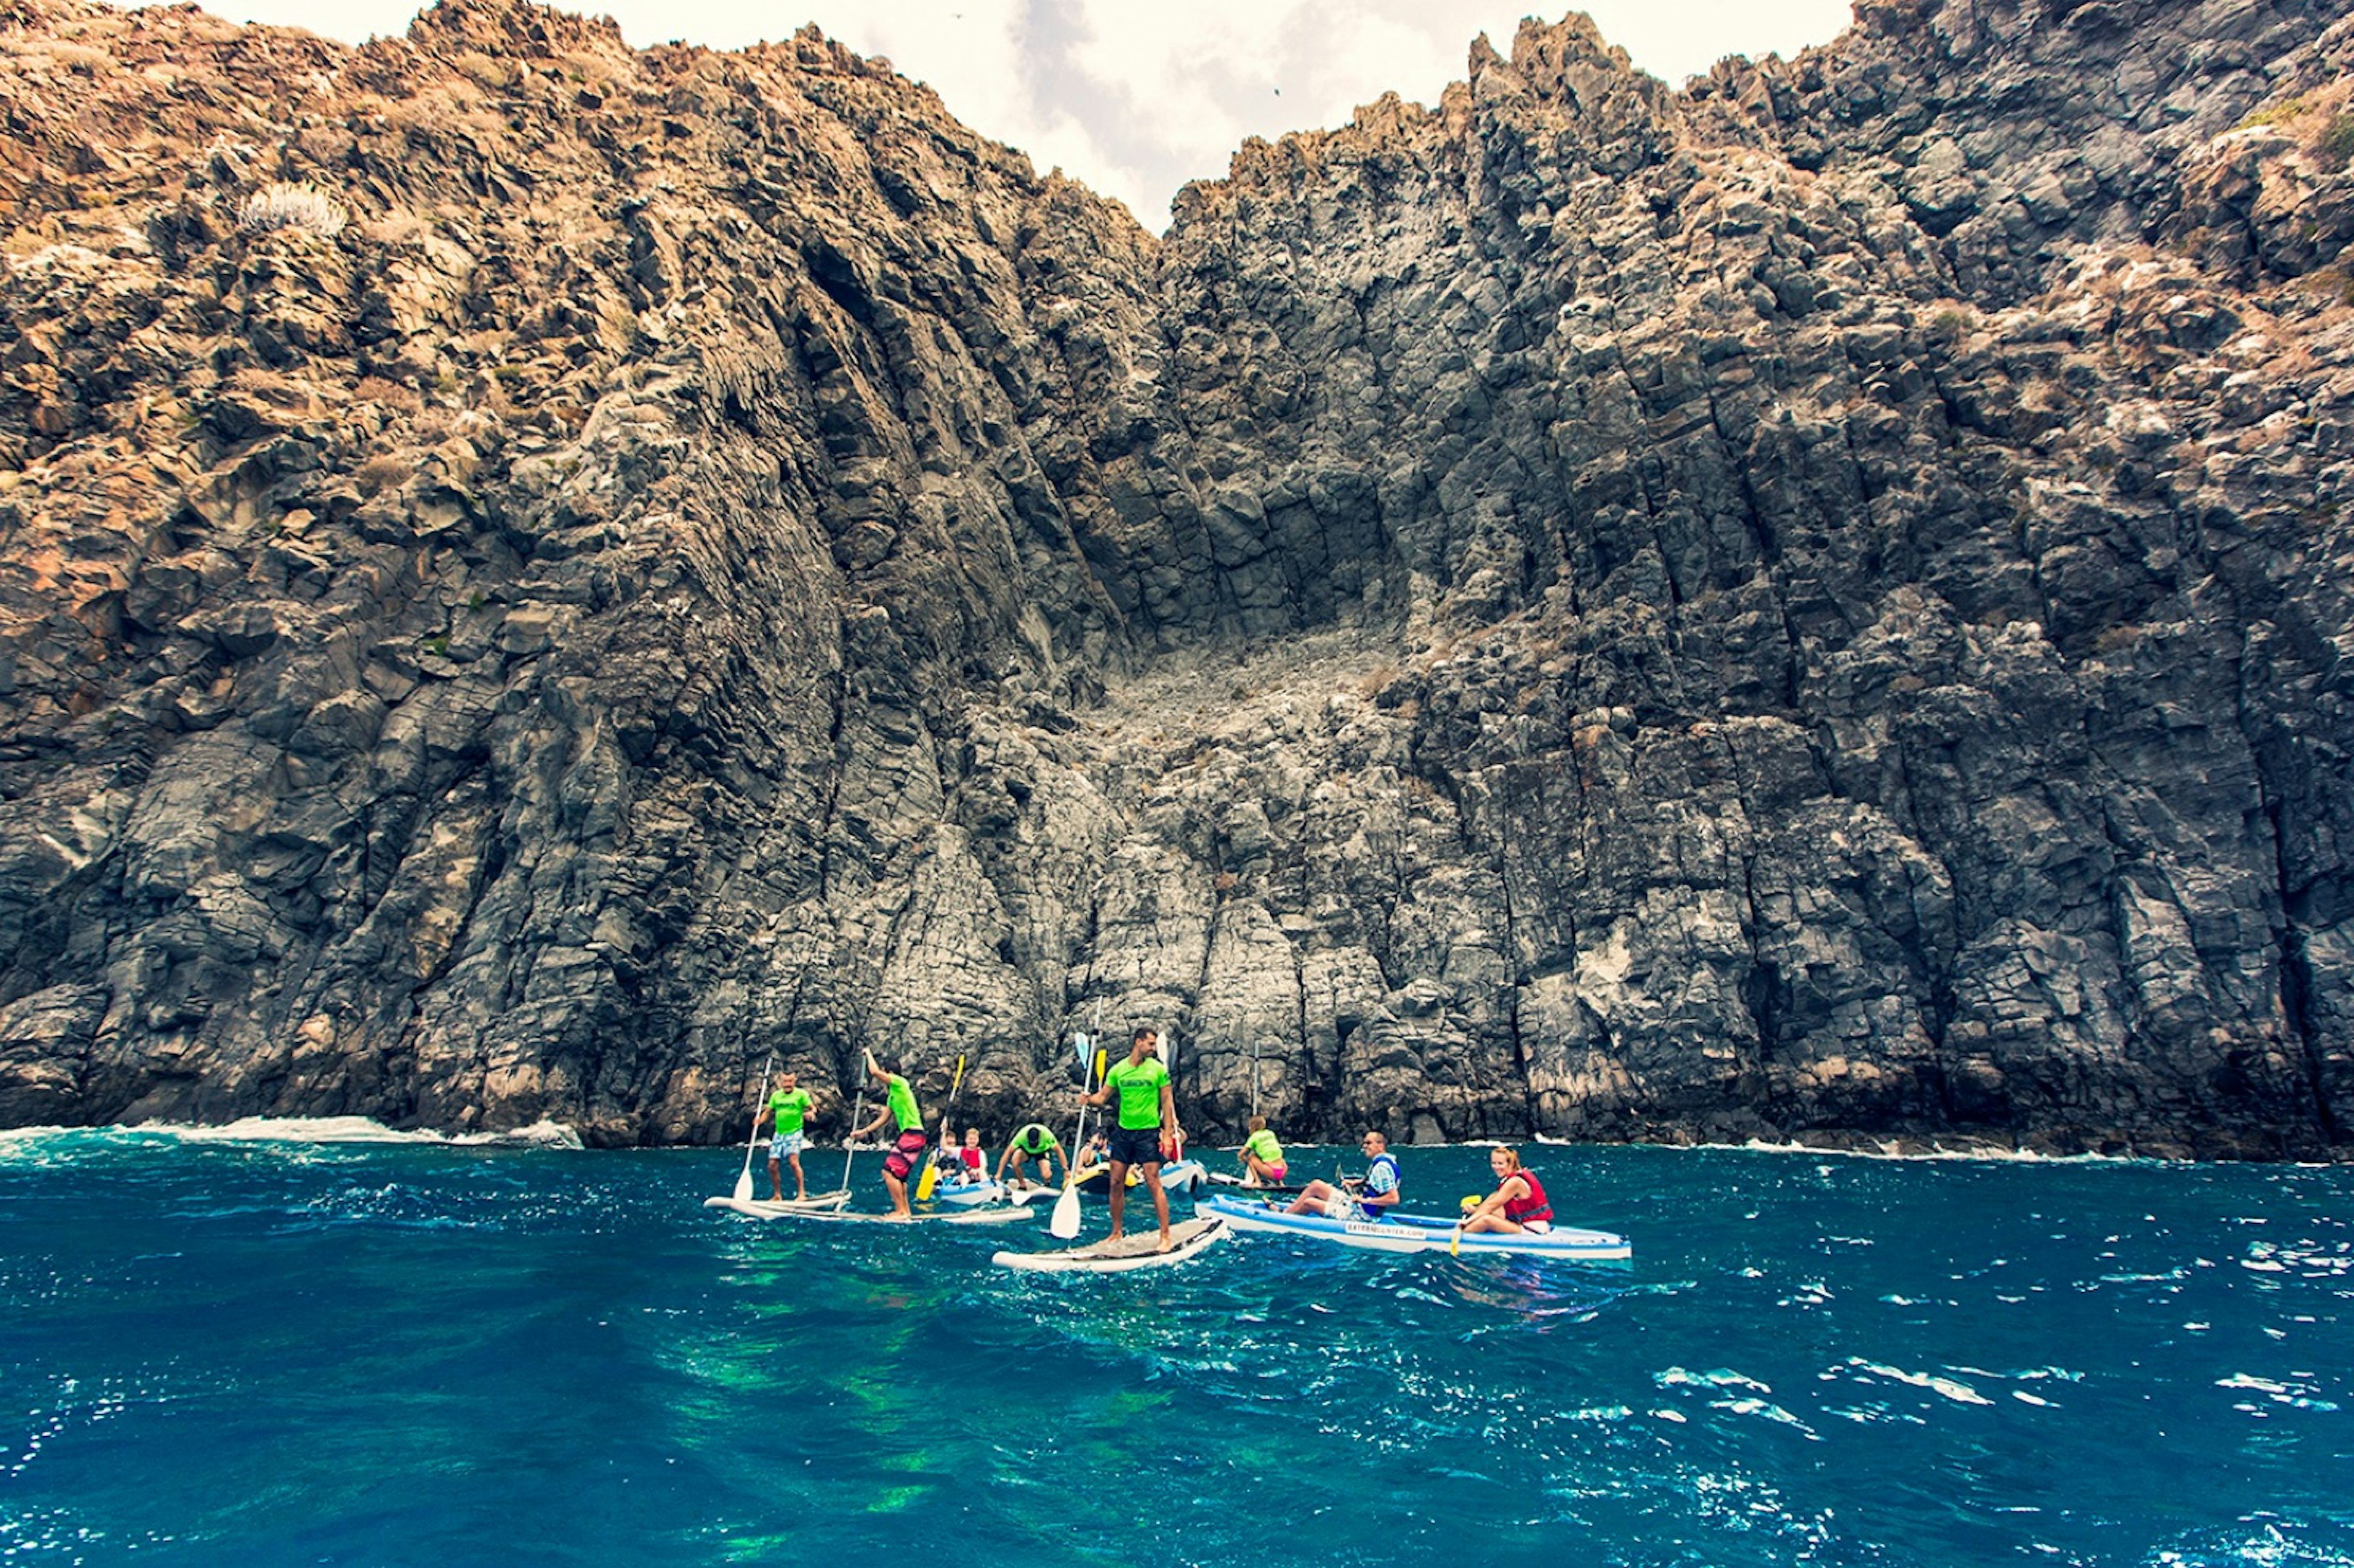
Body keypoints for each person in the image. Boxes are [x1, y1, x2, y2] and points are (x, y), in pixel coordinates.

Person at [1081, 1025, 1181, 1251]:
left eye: (1155, 1044)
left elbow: (1167, 1103)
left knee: (1153, 1182)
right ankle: (1116, 1232)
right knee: (1115, 1182)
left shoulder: (1158, 1070)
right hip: (1124, 1133)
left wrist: (1167, 1135)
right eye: (1150, 1044)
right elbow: (1104, 1097)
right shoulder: (1118, 1070)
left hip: (1148, 1132)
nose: (1153, 1048)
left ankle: (1165, 1235)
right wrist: (1088, 1099)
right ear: (1138, 1042)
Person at [850, 1055, 928, 1219]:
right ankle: (905, 1211)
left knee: (888, 1172)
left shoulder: (900, 1083)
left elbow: (874, 1071)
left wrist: (868, 1053)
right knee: (900, 1177)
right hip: (913, 1135)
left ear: (890, 1073)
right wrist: (863, 1132)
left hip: (912, 1134)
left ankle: (900, 1211)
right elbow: (883, 1119)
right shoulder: (893, 1096)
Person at [1286, 1130, 1401, 1220]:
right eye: (1364, 1143)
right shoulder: (1383, 1162)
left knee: (1309, 1203)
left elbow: (1393, 1198)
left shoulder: (1382, 1168)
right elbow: (1376, 1185)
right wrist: (1357, 1182)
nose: (1364, 1146)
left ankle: (1284, 1218)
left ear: (1380, 1146)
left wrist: (1365, 1201)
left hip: (1361, 1216)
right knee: (1316, 1185)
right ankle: (1288, 1212)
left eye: (1369, 1143)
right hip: (1355, 1206)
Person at [751, 1071, 816, 1201]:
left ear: (794, 1081)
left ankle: (802, 1194)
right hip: (779, 1134)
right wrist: (759, 1120)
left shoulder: (801, 1094)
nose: (787, 1084)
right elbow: (768, 1111)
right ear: (781, 1082)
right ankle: (777, 1195)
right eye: (785, 1082)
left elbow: (812, 1108)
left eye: (790, 1081)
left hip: (794, 1132)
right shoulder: (776, 1096)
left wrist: (811, 1113)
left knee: (793, 1162)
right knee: (772, 1165)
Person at [1458, 1146, 1553, 1234]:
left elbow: (1491, 1206)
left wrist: (1467, 1221)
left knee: (1486, 1220)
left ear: (1510, 1164)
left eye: (1500, 1164)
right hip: (1523, 1225)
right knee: (1494, 1196)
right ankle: (1466, 1229)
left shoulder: (1514, 1182)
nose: (1496, 1167)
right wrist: (1475, 1211)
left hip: (1533, 1230)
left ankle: (1463, 1234)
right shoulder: (1510, 1180)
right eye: (1493, 1163)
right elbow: (1498, 1210)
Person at [996, 1122, 1063, 1189]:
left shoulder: (1047, 1135)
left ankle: (1047, 1184)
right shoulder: (1021, 1136)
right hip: (1026, 1150)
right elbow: (1007, 1153)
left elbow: (1059, 1151)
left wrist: (1066, 1171)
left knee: (1046, 1175)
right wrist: (999, 1174)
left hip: (1042, 1151)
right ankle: (1022, 1185)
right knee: (1015, 1161)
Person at [1239, 1114, 1287, 1187]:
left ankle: (1258, 1182)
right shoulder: (1271, 1133)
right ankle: (1280, 1183)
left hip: (1270, 1172)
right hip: (1284, 1171)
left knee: (1251, 1157)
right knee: (1277, 1156)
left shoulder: (1254, 1137)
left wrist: (1245, 1161)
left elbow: (1241, 1154)